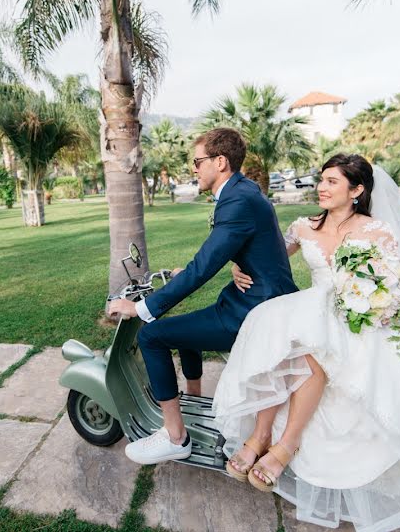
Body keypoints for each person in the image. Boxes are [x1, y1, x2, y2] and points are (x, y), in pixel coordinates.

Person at [213, 154, 400, 532]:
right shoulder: (303, 227)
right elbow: (266, 254)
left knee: (312, 355)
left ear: (356, 190)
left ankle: (283, 447)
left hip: (358, 318)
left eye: (332, 182)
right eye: (321, 180)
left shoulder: (376, 232)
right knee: (274, 330)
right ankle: (259, 437)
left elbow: (396, 286)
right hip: (313, 305)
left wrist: (376, 305)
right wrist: (238, 265)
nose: (322, 188)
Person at [108, 127, 299, 465]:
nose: (193, 169)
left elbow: (205, 266)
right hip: (252, 299)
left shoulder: (238, 200)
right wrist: (227, 265)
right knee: (185, 330)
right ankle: (192, 399)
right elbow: (234, 248)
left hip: (254, 312)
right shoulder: (242, 190)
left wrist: (140, 307)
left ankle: (174, 435)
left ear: (220, 161)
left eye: (197, 162)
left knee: (152, 335)